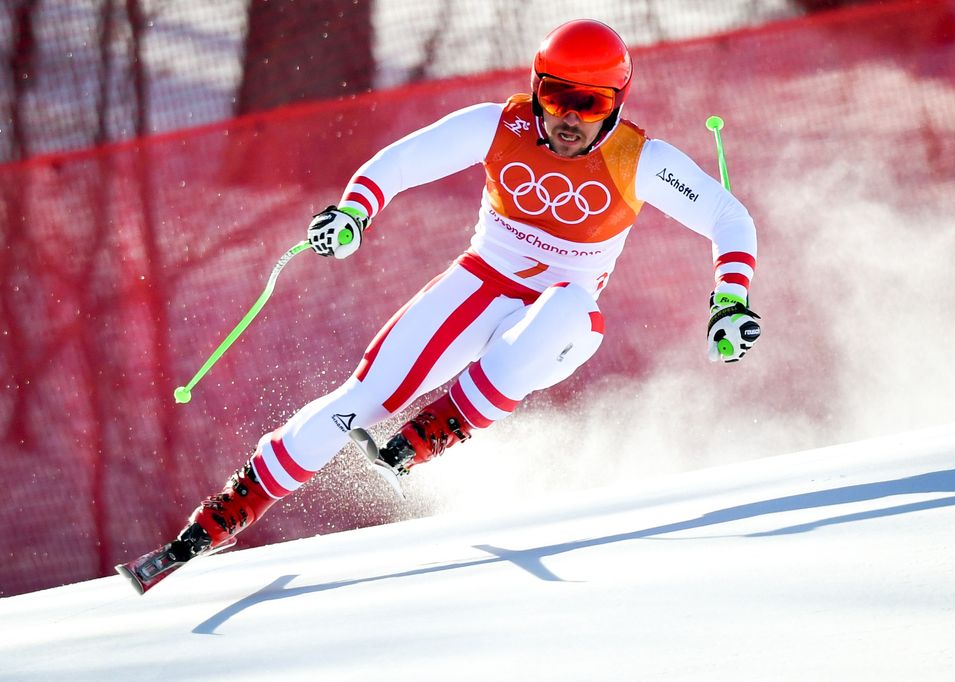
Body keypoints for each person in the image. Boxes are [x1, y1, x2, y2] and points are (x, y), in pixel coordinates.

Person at [171, 19, 761, 559]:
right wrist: (354, 214)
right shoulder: (498, 125)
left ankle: (435, 430)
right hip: (478, 287)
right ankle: (224, 514)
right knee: (360, 399)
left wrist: (729, 300)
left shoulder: (640, 159)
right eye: (555, 97)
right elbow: (399, 163)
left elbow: (729, 219)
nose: (569, 118)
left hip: (558, 329)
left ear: (615, 103)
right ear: (536, 89)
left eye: (589, 103)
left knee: (570, 304)